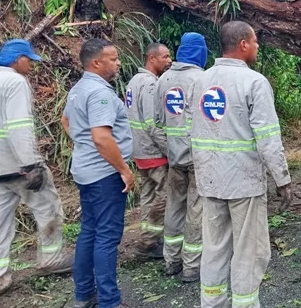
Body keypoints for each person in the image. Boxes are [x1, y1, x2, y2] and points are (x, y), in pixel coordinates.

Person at [190, 21, 292, 308]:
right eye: (256, 41)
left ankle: (212, 304)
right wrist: (282, 179)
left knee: (214, 247)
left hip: (209, 179)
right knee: (250, 251)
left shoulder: (201, 80)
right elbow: (268, 138)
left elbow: (191, 128)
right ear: (243, 44)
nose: (258, 46)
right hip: (243, 182)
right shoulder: (254, 83)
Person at [0, 40, 73, 298]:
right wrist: (31, 164)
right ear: (16, 60)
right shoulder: (14, 82)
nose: (31, 64)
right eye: (29, 60)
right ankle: (50, 259)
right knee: (47, 206)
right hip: (18, 166)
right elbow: (18, 126)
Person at [62, 39, 134, 308]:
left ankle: (84, 295)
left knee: (89, 232)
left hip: (85, 171)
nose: (118, 63)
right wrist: (124, 170)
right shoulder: (100, 94)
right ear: (96, 63)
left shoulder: (79, 89)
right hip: (104, 175)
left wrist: (83, 145)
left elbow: (65, 119)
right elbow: (102, 138)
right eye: (113, 59)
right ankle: (109, 301)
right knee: (106, 237)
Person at [155, 33, 208, 282]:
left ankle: (170, 261)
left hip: (174, 156)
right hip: (198, 158)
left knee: (174, 208)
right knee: (196, 211)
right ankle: (192, 266)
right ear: (199, 52)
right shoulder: (202, 79)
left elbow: (157, 120)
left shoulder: (163, 79)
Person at [126, 43, 172, 258]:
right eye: (165, 56)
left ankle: (147, 235)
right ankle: (150, 241)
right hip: (153, 152)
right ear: (152, 58)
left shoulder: (134, 81)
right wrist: (170, 151)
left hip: (139, 150)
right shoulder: (151, 85)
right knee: (166, 194)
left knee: (148, 194)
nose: (169, 60)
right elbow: (152, 125)